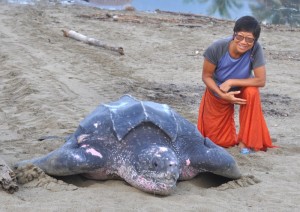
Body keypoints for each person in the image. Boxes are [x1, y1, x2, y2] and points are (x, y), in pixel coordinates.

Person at [197, 16, 275, 154]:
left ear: (255, 40)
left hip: (241, 89)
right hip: (218, 90)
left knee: (252, 91)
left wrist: (232, 81)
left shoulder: (255, 49)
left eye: (249, 39)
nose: (243, 42)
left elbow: (260, 80)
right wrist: (222, 94)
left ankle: (246, 142)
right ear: (234, 34)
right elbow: (206, 76)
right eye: (240, 37)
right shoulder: (217, 47)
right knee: (219, 142)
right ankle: (227, 137)